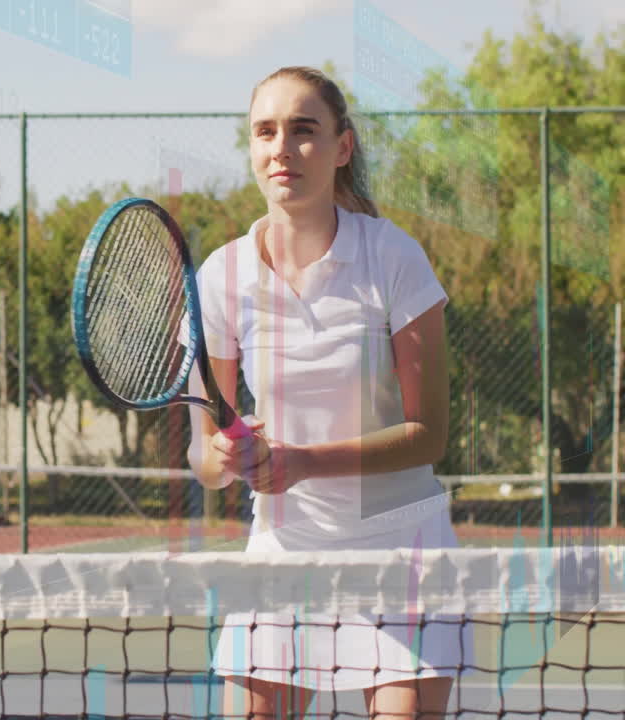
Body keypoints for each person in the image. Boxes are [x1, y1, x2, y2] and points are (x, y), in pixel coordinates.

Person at [186, 67, 467, 719]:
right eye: (265, 132)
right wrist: (223, 459)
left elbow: (429, 434)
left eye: (303, 130)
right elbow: (203, 458)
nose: (282, 148)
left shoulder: (394, 257)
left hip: (402, 548)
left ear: (342, 147)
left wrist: (306, 462)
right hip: (285, 550)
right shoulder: (221, 277)